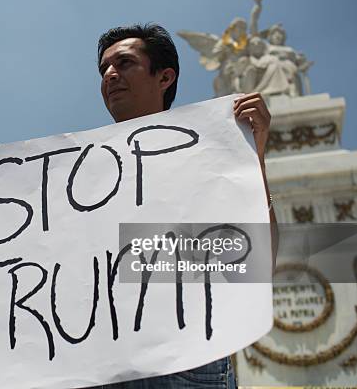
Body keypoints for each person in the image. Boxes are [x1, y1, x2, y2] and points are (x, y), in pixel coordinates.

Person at [94, 23, 276, 388]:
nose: (110, 75)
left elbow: (257, 258)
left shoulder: (212, 153)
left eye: (125, 63)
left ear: (165, 77)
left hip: (184, 363)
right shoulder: (78, 176)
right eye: (104, 69)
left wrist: (252, 159)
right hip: (94, 362)